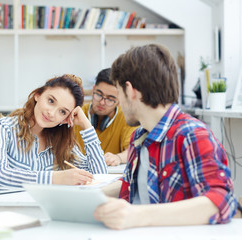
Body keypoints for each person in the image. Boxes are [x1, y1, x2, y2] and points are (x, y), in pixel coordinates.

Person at [94, 44, 238, 229]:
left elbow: (221, 202)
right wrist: (91, 196)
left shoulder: (192, 135)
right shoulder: (139, 136)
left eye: (118, 93)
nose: (119, 104)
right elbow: (132, 185)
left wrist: (137, 216)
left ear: (130, 91)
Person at [0, 74, 107, 189]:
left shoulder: (63, 143)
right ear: (38, 94)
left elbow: (100, 177)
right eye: (51, 101)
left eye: (62, 112)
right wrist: (57, 178)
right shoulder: (2, 128)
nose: (52, 113)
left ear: (66, 118)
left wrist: (87, 127)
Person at [74, 68, 137, 165]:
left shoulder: (126, 118)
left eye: (110, 99)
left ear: (119, 101)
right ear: (93, 89)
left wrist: (118, 157)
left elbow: (134, 150)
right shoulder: (76, 114)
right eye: (99, 94)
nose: (102, 103)